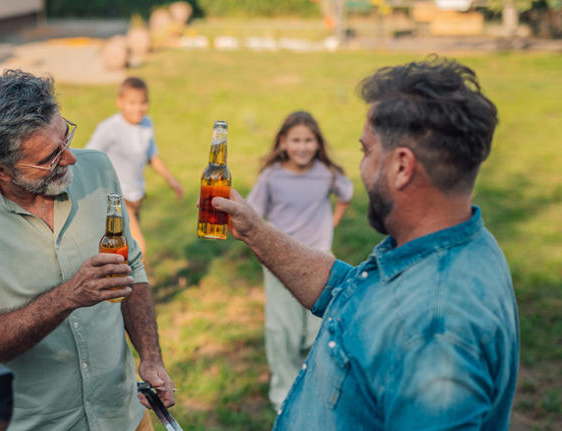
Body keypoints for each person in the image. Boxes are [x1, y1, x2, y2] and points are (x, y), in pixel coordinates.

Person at [212, 57, 518, 430]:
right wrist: (255, 231)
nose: (362, 167)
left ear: (401, 166)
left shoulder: (433, 334)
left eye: (366, 150)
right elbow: (350, 292)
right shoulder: (455, 242)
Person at [0, 69, 175, 431]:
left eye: (66, 137)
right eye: (50, 158)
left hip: (124, 416)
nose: (71, 159)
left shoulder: (99, 169)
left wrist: (150, 357)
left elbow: (131, 267)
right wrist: (69, 296)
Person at [247, 111, 353, 410]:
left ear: (318, 144)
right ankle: (283, 397)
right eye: (296, 140)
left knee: (318, 330)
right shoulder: (271, 176)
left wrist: (331, 223)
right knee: (283, 332)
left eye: (309, 140)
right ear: (283, 142)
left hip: (321, 262)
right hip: (280, 263)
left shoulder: (327, 173)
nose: (303, 146)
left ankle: (314, 388)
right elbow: (252, 215)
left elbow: (346, 193)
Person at [85, 77, 183, 259]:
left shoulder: (147, 125)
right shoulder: (109, 128)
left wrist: (171, 180)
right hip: (117, 200)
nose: (138, 108)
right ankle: (140, 286)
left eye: (143, 103)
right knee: (139, 250)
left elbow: (152, 157)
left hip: (137, 198)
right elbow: (88, 157)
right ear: (120, 102)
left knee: (126, 254)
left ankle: (122, 285)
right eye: (132, 103)